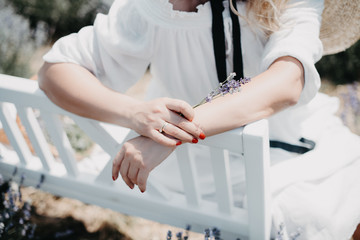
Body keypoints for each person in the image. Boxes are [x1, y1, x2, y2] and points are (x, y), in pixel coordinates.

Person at [38, 0, 360, 239]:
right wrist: (136, 114)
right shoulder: (154, 7)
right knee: (318, 202)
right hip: (233, 169)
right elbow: (53, 72)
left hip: (201, 164)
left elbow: (286, 83)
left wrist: (173, 133)